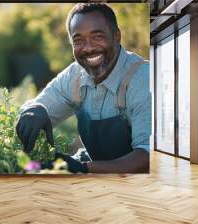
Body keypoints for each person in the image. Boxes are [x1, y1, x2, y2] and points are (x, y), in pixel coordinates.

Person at [16, 3, 151, 173]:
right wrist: (32, 110)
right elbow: (38, 106)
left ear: (116, 36)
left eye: (97, 37)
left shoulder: (143, 79)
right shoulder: (74, 76)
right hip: (96, 174)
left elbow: (148, 157)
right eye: (78, 40)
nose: (88, 48)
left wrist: (82, 168)